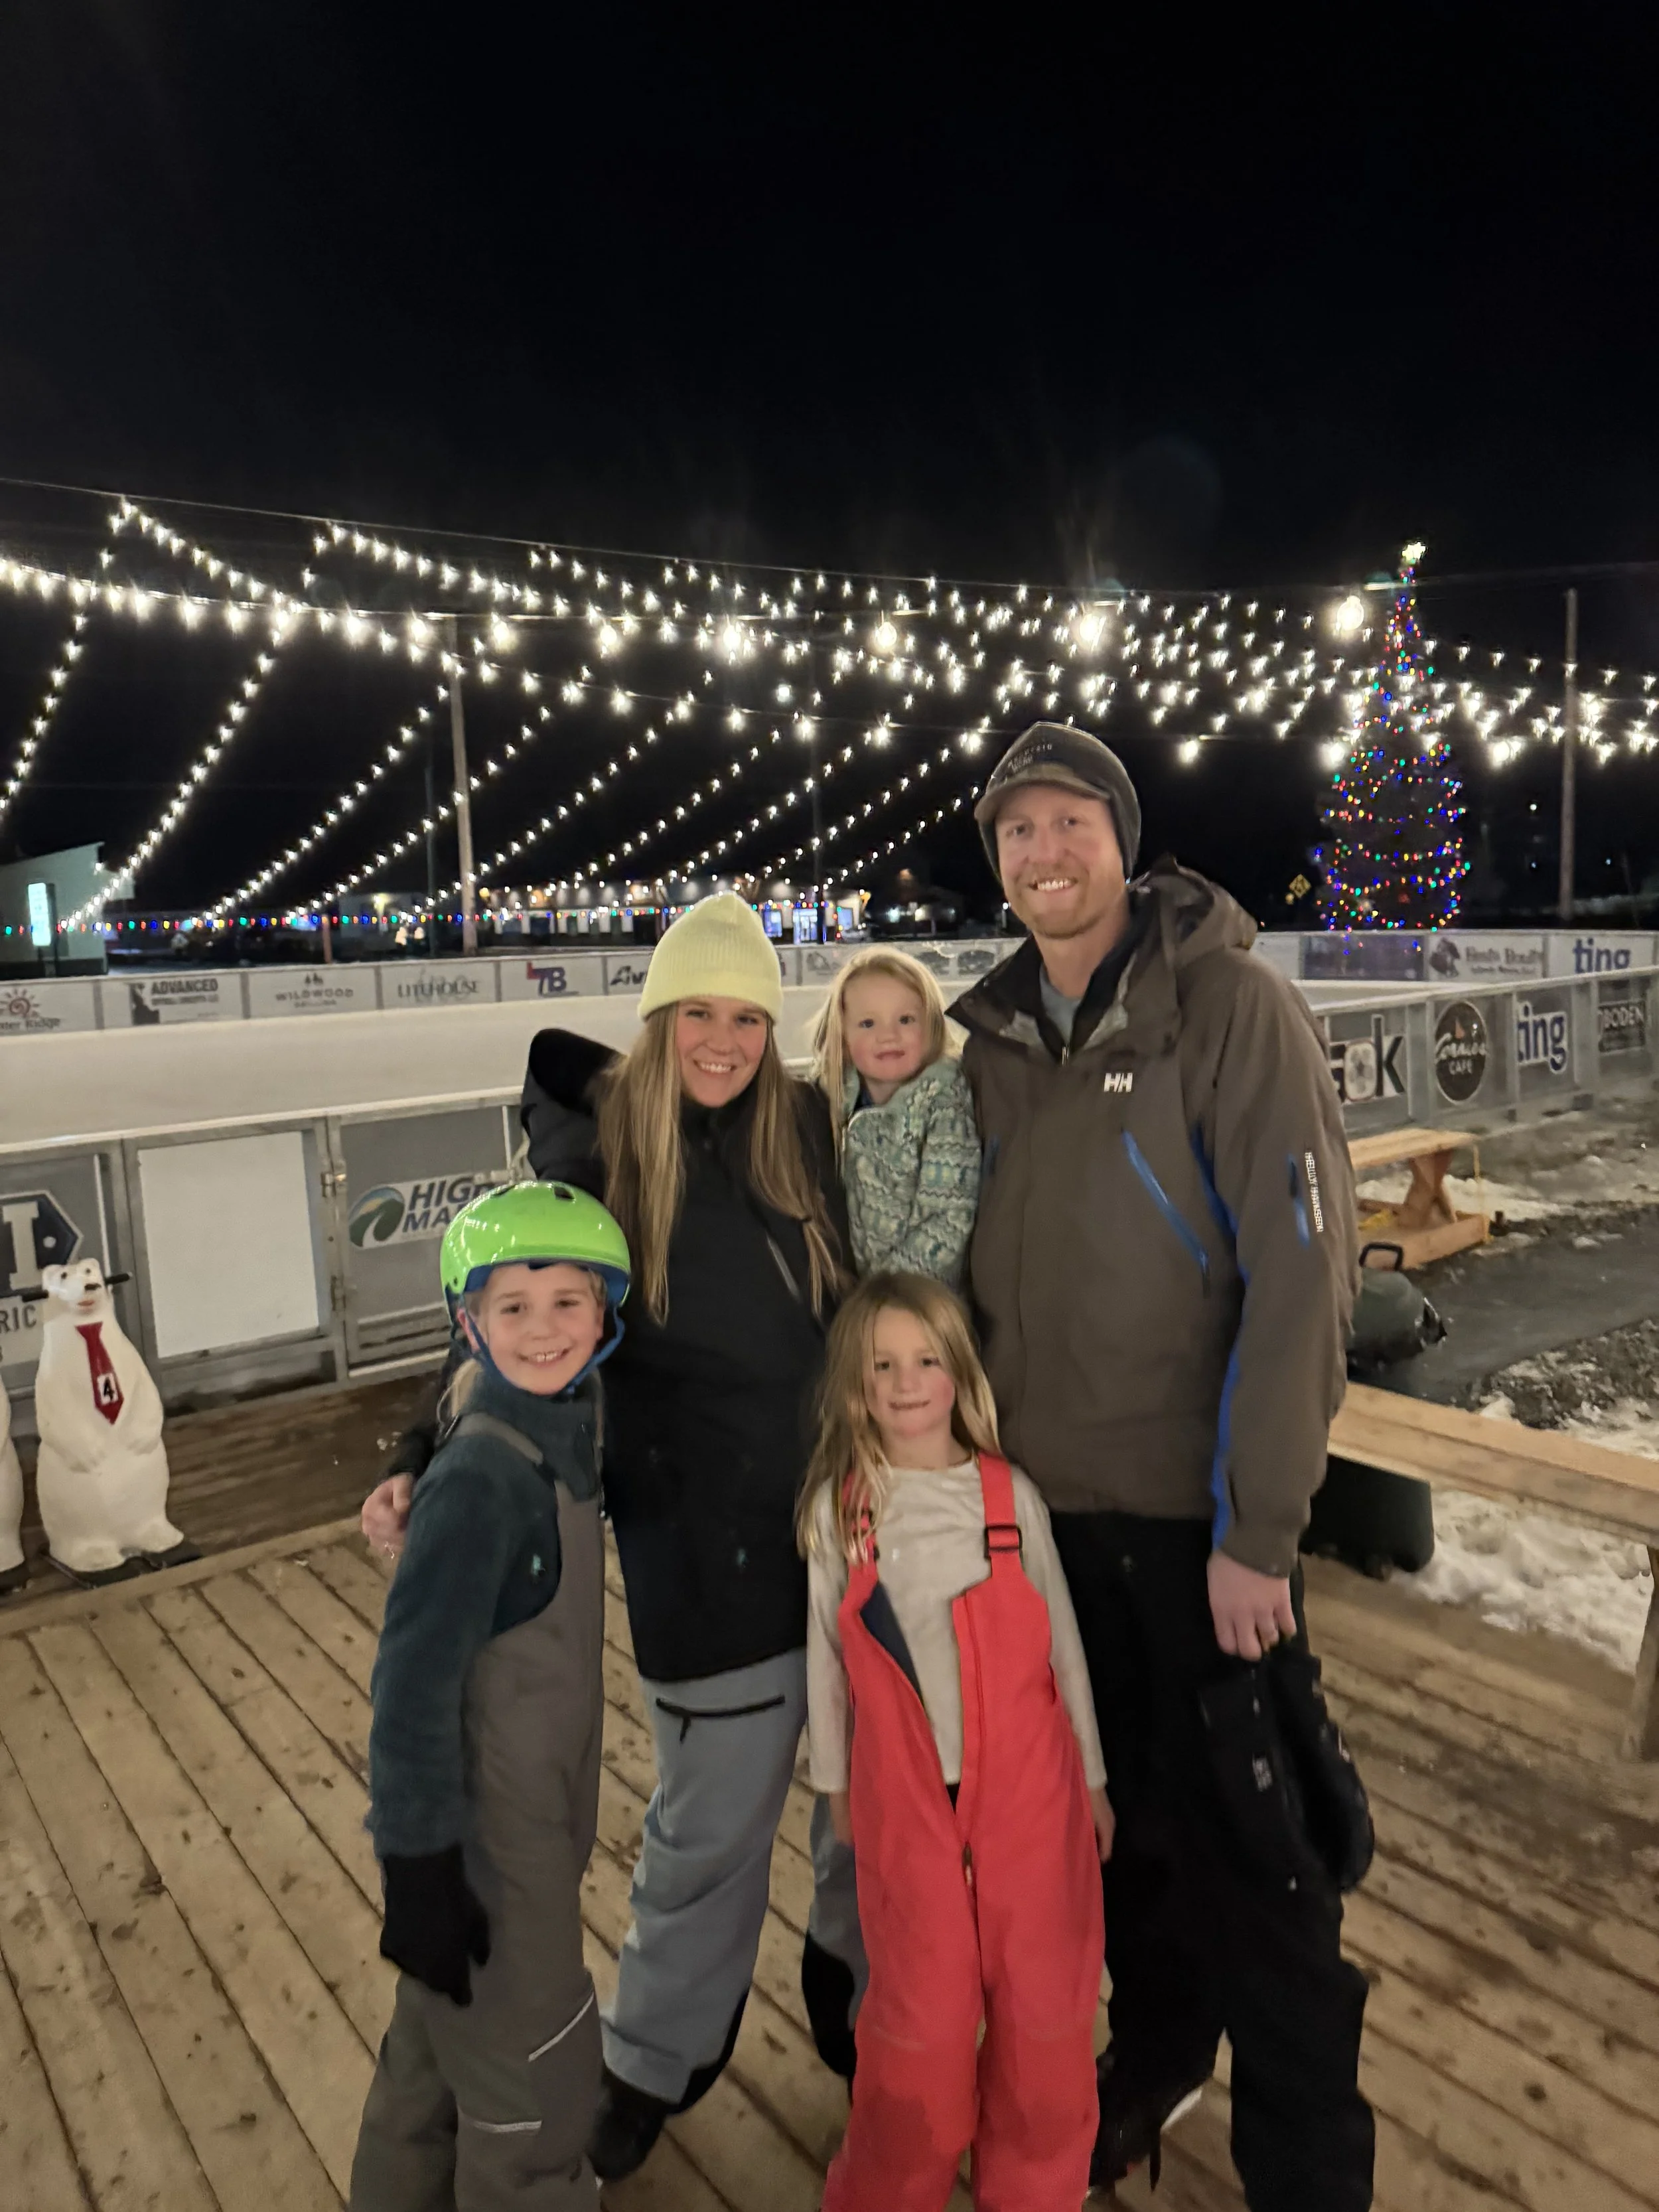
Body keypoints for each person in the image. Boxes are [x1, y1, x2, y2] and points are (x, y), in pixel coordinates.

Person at [365, 892, 861, 2181]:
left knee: (871, 1809)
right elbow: (509, 1323)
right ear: (656, 1017)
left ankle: (855, 1991)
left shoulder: (806, 1129)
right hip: (706, 1553)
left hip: (845, 1539)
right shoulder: (599, 1156)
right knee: (708, 1835)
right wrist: (419, 1450)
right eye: (696, 1011)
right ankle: (649, 2060)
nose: (722, 1039)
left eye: (746, 1015)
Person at [952, 722, 1374, 2210]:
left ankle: (1306, 2171)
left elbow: (1302, 1275)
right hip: (1049, 1533)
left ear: (1122, 842)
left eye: (1068, 820)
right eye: (1016, 830)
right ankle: (1158, 2052)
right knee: (1123, 1838)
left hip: (1198, 1530)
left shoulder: (1230, 1007)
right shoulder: (994, 1042)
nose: (1043, 851)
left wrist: (1257, 1530)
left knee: (1264, 1870)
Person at [802, 1271, 1111, 2212]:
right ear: (854, 1386)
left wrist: (1094, 1782)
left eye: (926, 1360)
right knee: (919, 2038)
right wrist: (836, 1791)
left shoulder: (1011, 1498)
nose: (905, 1383)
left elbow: (1065, 1650)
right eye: (881, 1366)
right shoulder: (840, 1514)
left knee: (1045, 2030)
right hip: (906, 1812)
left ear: (959, 1375)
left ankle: (1035, 2194)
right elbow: (826, 1667)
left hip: (1033, 1805)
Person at [350, 1179, 630, 2212]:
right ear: (469, 1324)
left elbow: (453, 1401)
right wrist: (418, 1866)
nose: (544, 1329)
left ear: (604, 1315)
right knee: (536, 2088)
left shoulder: (559, 1416)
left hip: (531, 1816)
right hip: (486, 1849)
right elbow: (410, 1685)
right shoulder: (483, 1478)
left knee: (433, 2061)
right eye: (513, 1307)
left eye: (568, 1302)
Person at [810, 948, 980, 1286]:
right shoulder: (830, 1101)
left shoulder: (944, 1104)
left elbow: (948, 1219)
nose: (888, 1035)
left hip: (923, 1296)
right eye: (868, 1023)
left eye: (905, 1020)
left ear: (931, 1026)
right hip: (854, 1289)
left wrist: (888, 1295)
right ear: (843, 1037)